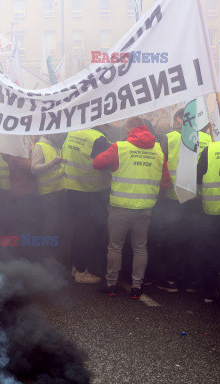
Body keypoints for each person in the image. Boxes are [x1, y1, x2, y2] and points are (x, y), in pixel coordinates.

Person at [93, 117, 170, 299]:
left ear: (128, 130)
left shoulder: (120, 147)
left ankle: (111, 284)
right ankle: (137, 287)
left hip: (121, 207)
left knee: (115, 247)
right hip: (145, 207)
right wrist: (154, 199)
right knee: (140, 247)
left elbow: (97, 163)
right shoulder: (158, 149)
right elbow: (165, 180)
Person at [152, 108, 212, 293]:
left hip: (174, 198)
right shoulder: (209, 140)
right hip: (197, 199)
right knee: (194, 240)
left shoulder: (170, 138)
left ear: (180, 120)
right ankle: (193, 281)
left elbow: (160, 166)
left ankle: (171, 280)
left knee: (172, 240)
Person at [62, 126, 112, 283]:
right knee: (88, 234)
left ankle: (75, 267)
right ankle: (82, 272)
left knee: (77, 231)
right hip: (91, 192)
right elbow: (109, 163)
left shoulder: (72, 133)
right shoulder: (97, 139)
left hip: (71, 189)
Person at [31, 133, 67, 261]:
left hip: (60, 190)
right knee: (50, 223)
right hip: (48, 192)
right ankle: (46, 254)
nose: (61, 136)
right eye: (59, 134)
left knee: (57, 222)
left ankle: (54, 251)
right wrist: (53, 162)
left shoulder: (57, 145)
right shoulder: (39, 146)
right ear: (51, 133)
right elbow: (34, 169)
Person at [197, 141, 220, 303]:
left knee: (211, 252)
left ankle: (209, 292)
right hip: (211, 210)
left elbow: (198, 177)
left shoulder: (210, 149)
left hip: (212, 210)